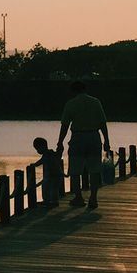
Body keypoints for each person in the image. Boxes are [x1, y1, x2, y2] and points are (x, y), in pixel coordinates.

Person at [56, 80, 110, 209]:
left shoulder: (71, 104)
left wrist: (60, 142)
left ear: (73, 91)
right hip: (93, 136)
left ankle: (78, 197)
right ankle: (93, 198)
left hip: (78, 137)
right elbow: (103, 123)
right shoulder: (95, 102)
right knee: (94, 169)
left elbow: (65, 125)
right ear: (85, 89)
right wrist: (106, 141)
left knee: (75, 170)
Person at [31, 136, 64, 208]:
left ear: (42, 147)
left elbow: (41, 162)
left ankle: (54, 202)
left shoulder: (47, 154)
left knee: (53, 189)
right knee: (47, 187)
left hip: (54, 175)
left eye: (37, 149)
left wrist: (34, 165)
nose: (37, 151)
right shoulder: (50, 153)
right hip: (53, 175)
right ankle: (47, 201)